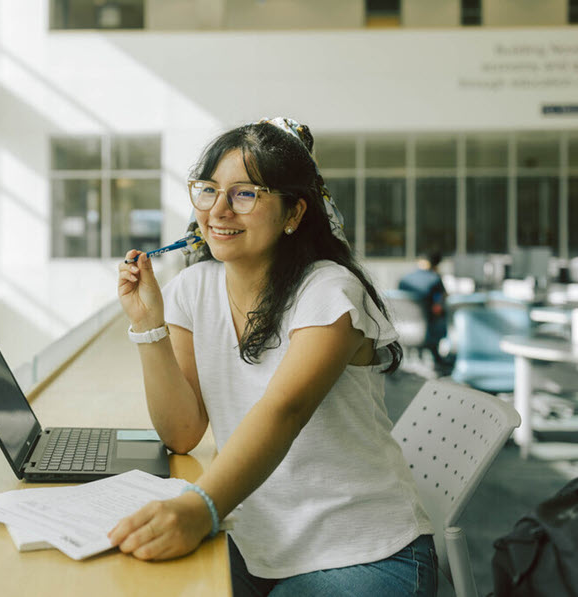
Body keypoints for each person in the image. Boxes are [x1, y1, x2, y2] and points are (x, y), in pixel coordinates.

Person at [110, 117, 437, 597]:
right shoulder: (192, 290)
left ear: (293, 212)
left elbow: (282, 412)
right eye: (208, 190)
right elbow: (182, 433)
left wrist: (199, 507)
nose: (218, 211)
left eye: (245, 194)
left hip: (361, 551)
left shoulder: (329, 291)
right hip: (255, 541)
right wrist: (148, 326)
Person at [398, 250, 448, 369]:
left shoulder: (405, 279)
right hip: (426, 329)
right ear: (435, 264)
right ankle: (436, 357)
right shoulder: (435, 279)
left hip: (402, 328)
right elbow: (439, 306)